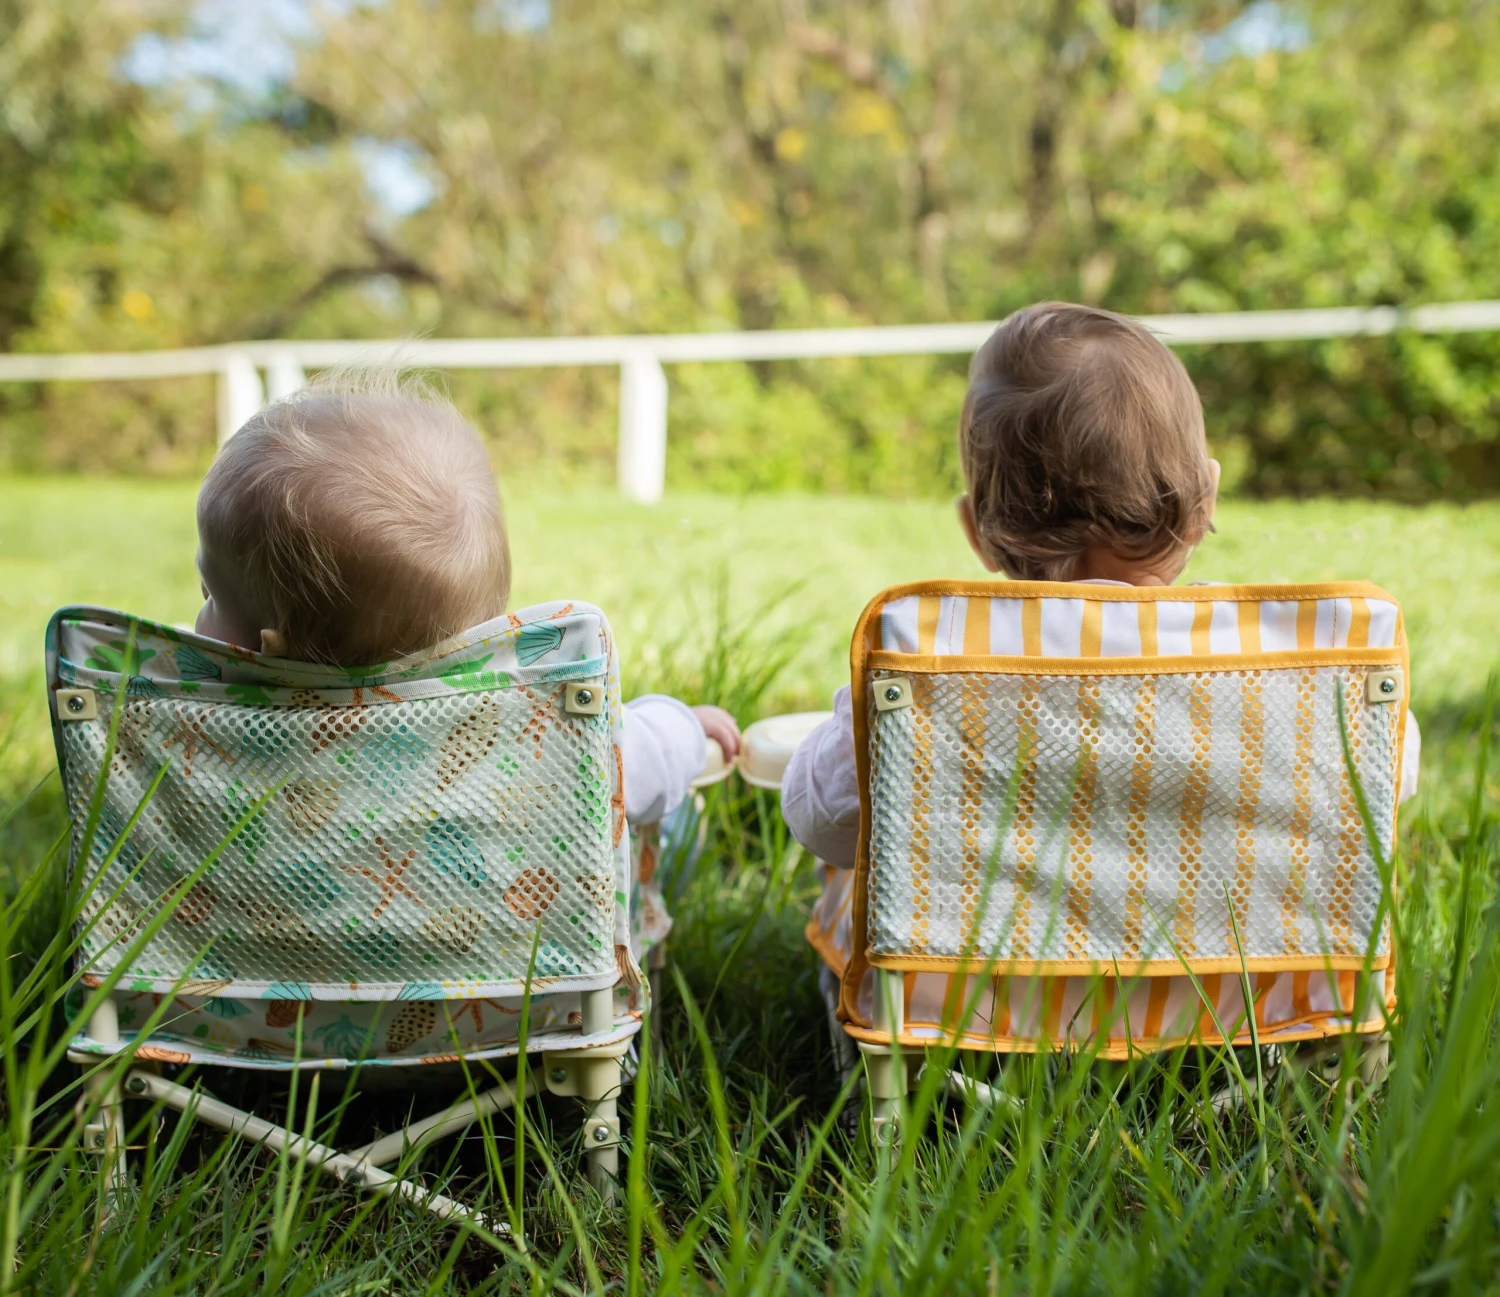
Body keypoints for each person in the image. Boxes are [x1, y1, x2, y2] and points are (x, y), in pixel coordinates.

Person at [782, 301, 1418, 1067]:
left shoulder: (935, 669)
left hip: (966, 997)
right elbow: (1387, 775)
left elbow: (818, 820)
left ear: (976, 532)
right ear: (1205, 498)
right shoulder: (1280, 671)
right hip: (1234, 994)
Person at [194, 370, 741, 833]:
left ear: (268, 649)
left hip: (267, 956)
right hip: (520, 960)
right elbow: (651, 754)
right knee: (665, 817)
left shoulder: (198, 744)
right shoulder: (542, 736)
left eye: (209, 594)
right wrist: (686, 727)